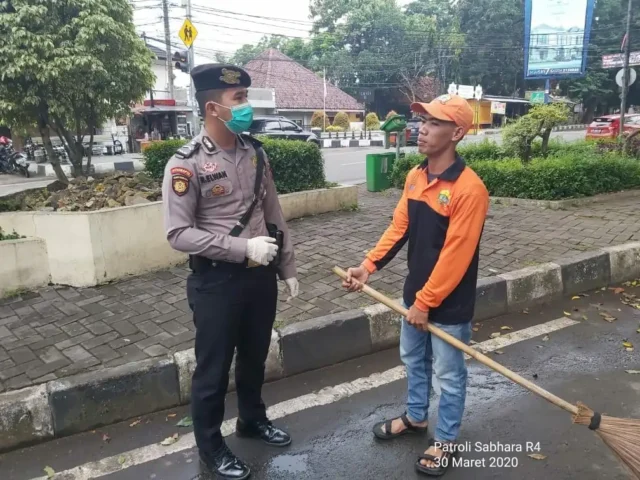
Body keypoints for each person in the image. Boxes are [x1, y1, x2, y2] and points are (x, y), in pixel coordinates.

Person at [162, 63, 299, 480]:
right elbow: (178, 234)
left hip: (260, 275)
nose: (246, 106)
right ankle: (210, 445)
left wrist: (287, 265)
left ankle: (251, 420)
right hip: (216, 282)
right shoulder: (185, 165)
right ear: (212, 107)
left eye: (244, 96)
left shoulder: (254, 152)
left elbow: (272, 211)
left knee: (255, 356)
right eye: (238, 99)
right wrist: (242, 248)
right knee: (213, 368)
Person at [342, 94, 489, 476]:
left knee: (449, 374)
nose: (422, 128)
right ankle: (416, 417)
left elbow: (456, 256)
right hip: (416, 298)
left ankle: (445, 440)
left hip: (448, 305)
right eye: (422, 120)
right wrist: (367, 265)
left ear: (457, 132)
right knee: (413, 362)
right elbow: (399, 228)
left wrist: (426, 302)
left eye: (434, 122)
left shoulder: (469, 189)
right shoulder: (416, 177)